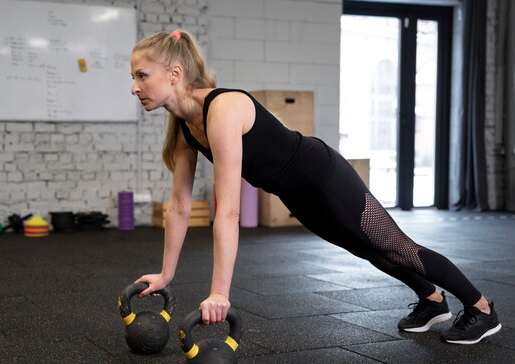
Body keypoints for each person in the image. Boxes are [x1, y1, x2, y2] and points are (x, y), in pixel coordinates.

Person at [130, 29, 501, 345]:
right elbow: (179, 206)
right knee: (366, 249)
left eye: (142, 75)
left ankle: (481, 308)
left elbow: (228, 211)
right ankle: (432, 300)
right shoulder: (184, 129)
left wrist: (219, 294)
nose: (135, 87)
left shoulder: (222, 108)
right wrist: (165, 274)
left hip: (325, 176)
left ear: (175, 73)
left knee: (394, 245)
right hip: (297, 195)